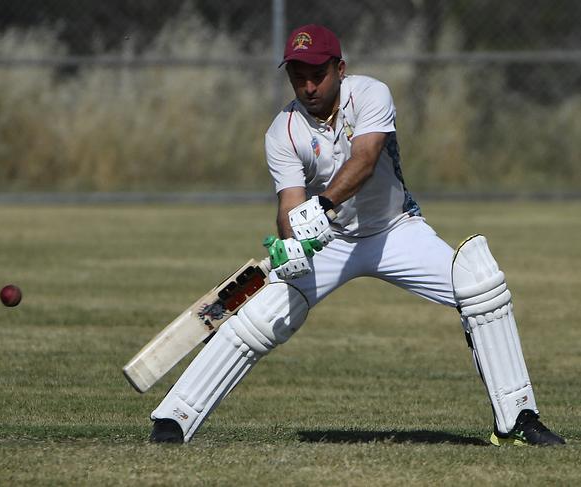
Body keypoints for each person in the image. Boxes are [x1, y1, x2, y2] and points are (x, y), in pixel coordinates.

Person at [148, 24, 565, 446]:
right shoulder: (282, 131)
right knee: (261, 316)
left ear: (340, 68)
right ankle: (175, 419)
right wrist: (291, 240)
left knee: (481, 285)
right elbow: (289, 205)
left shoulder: (370, 94)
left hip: (395, 230)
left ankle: (517, 420)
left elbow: (365, 159)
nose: (308, 86)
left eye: (318, 74)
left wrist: (322, 206)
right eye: (298, 76)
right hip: (331, 242)